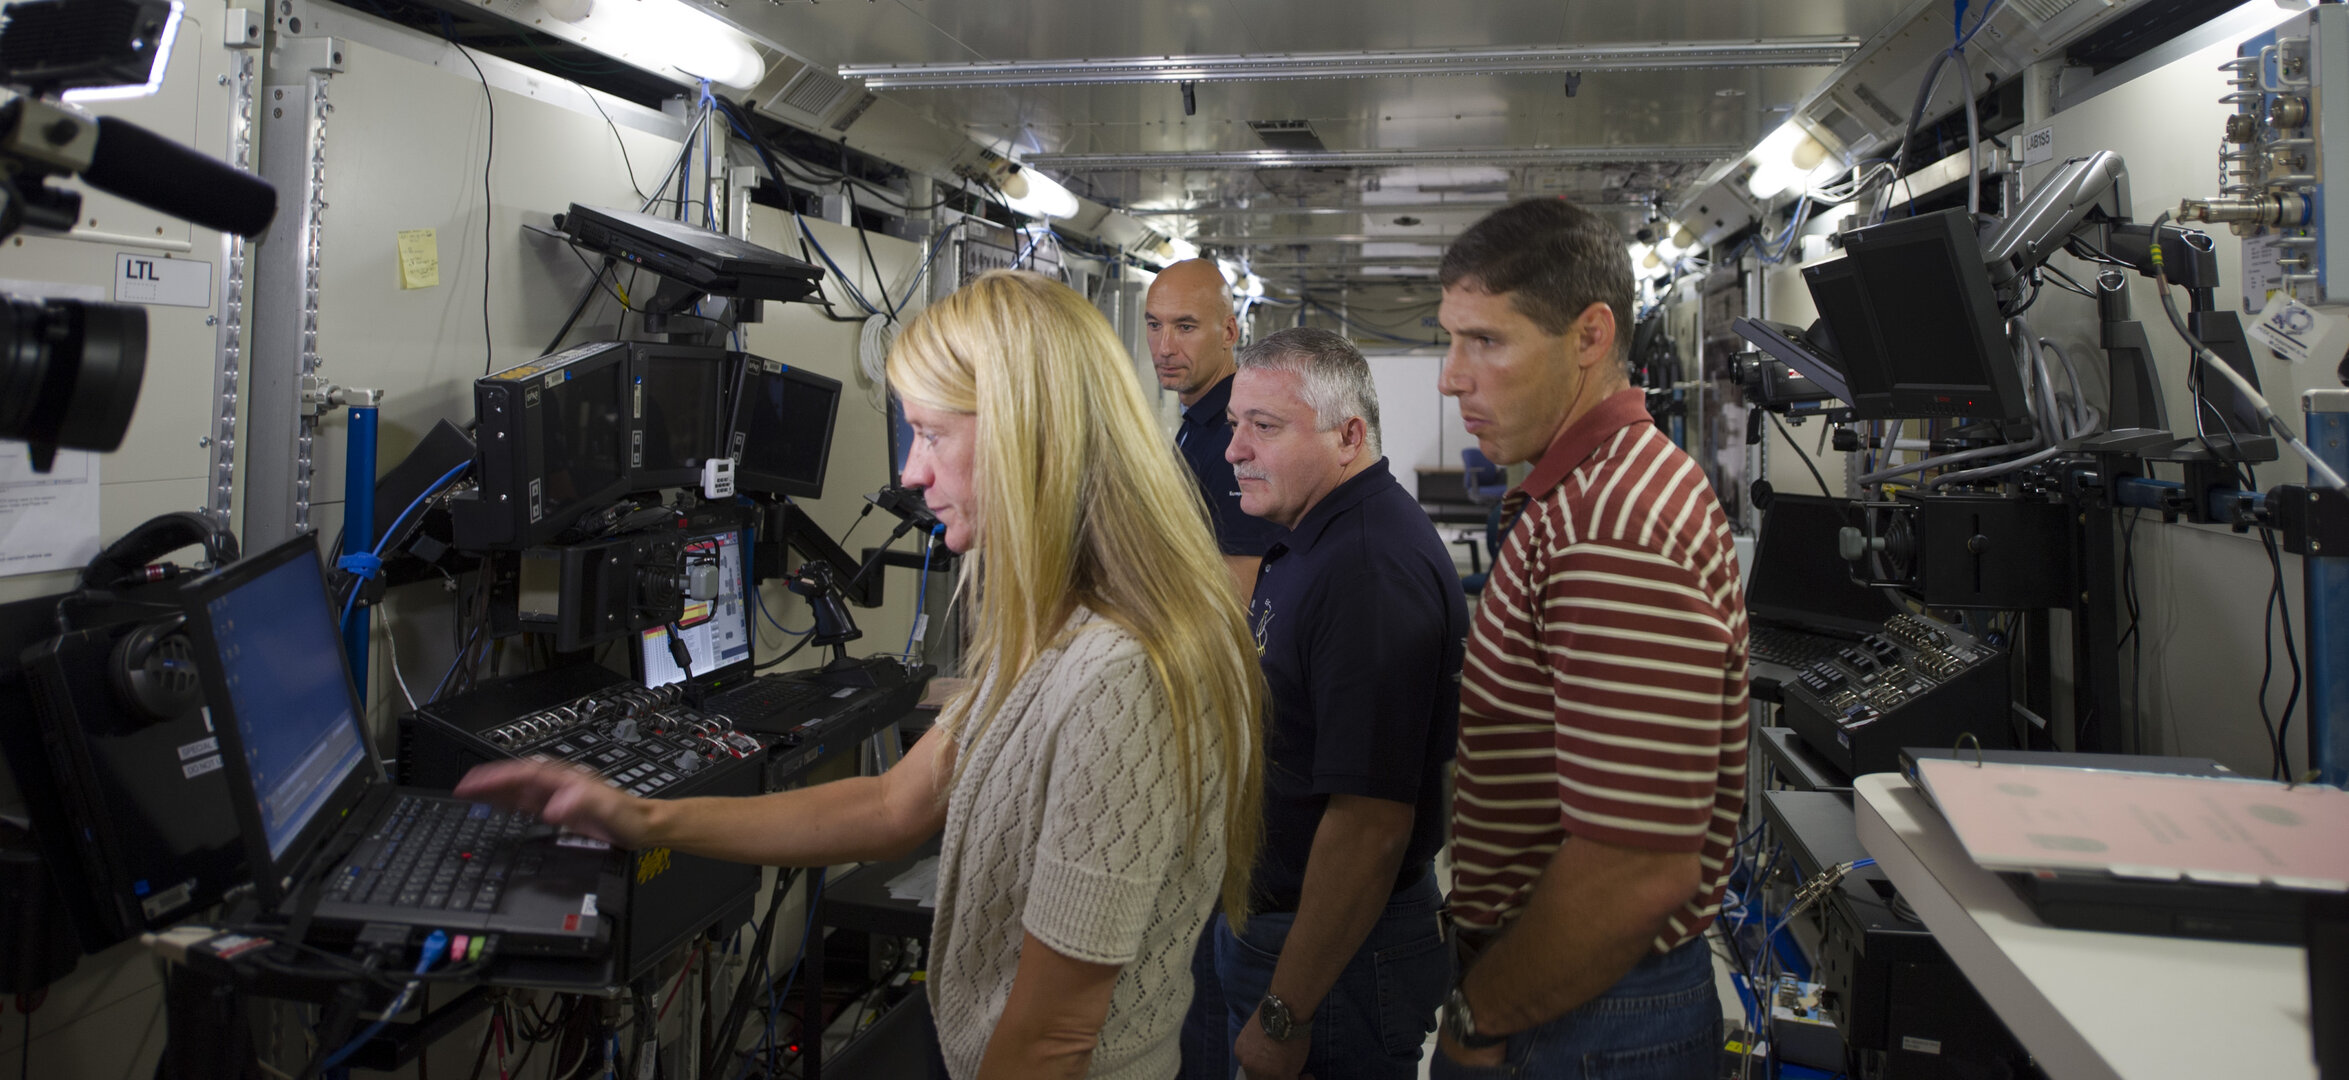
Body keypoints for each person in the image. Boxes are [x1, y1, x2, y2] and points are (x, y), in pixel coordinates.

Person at [456, 270, 1267, 1080]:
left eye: (930, 434)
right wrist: (642, 820)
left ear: (1027, 435)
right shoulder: (1058, 629)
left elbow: (1053, 1039)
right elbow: (891, 804)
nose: (911, 472)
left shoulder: (1118, 671)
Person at [1430, 200, 1750, 1078]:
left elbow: (1633, 868)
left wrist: (1477, 1017)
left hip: (1587, 1017)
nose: (1450, 379)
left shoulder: (1611, 523)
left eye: (1484, 342)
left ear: (1589, 335)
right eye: (1449, 340)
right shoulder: (1578, 494)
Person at [1205, 328, 1465, 1080]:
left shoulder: (1365, 572)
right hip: (1286, 932)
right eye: (1233, 425)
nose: (1234, 450)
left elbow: (1369, 826)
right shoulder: (1311, 535)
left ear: (1348, 435)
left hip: (1332, 963)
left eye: (1265, 426)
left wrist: (1286, 1008)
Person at [1147, 258, 1283, 601]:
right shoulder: (1198, 421)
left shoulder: (1235, 435)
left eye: (1185, 327)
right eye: (1154, 325)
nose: (1164, 348)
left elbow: (1242, 591)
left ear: (1228, 333)